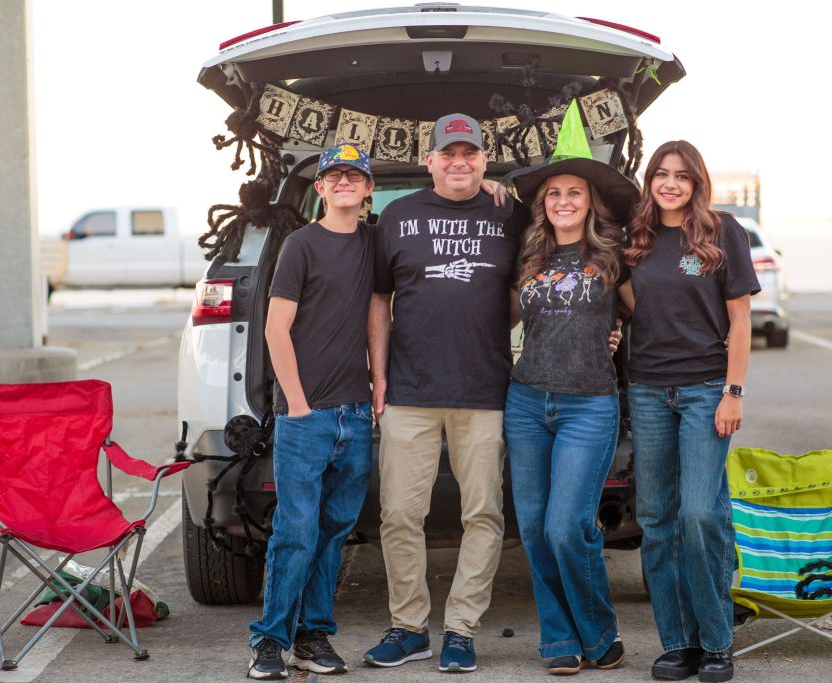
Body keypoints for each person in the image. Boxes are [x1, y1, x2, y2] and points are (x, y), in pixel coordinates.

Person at [364, 113, 526, 673]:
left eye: (471, 153)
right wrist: (379, 374)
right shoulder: (397, 215)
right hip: (409, 390)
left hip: (484, 389)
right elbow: (379, 299)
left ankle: (461, 628)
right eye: (448, 153)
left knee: (483, 514)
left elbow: (523, 288)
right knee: (399, 515)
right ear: (428, 160)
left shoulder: (510, 212)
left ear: (485, 160)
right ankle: (409, 628)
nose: (460, 162)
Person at [501, 100, 636, 676]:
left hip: (589, 406)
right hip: (527, 401)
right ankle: (559, 640)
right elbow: (500, 319)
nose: (563, 201)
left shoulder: (613, 257)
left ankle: (599, 632)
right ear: (542, 204)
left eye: (574, 193)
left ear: (590, 201)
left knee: (567, 526)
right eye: (553, 193)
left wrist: (617, 335)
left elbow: (647, 318)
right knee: (533, 528)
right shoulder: (527, 258)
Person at [618, 140, 760, 683]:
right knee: (655, 521)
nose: (670, 183)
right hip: (650, 391)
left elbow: (740, 322)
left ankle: (717, 642)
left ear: (697, 181)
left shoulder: (723, 232)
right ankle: (678, 644)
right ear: (650, 180)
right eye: (661, 174)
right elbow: (636, 306)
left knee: (701, 514)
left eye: (681, 175)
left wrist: (734, 391)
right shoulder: (638, 237)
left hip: (706, 390)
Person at [248, 143, 376, 680]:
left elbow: (379, 312)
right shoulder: (300, 245)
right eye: (334, 176)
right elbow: (276, 329)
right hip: (307, 414)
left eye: (355, 175)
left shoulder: (375, 243)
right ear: (320, 188)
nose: (344, 182)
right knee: (295, 531)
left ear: (368, 189)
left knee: (333, 532)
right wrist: (296, 404)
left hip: (357, 413)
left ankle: (313, 637)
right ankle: (269, 642)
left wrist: (379, 385)